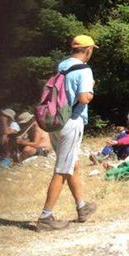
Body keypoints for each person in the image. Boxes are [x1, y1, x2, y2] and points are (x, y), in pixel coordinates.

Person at [37, 34, 99, 231]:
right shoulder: (84, 70)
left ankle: (82, 207)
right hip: (71, 121)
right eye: (92, 50)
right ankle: (45, 218)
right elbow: (83, 98)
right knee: (62, 169)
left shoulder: (62, 65)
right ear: (88, 50)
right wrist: (91, 90)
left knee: (72, 164)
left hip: (56, 120)